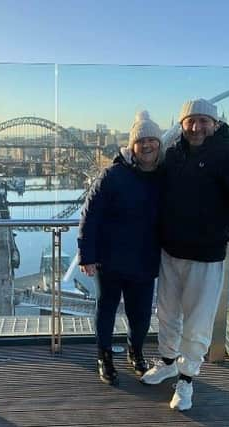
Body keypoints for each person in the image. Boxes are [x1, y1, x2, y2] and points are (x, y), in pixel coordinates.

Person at [140, 99, 229, 410]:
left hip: (206, 253)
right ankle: (168, 362)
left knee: (198, 323)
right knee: (167, 315)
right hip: (171, 250)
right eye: (191, 121)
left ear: (215, 124)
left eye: (204, 121)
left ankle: (186, 380)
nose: (197, 127)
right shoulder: (172, 154)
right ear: (183, 123)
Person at [78, 110, 162, 386]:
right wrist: (87, 255)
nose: (147, 145)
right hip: (110, 261)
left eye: (153, 140)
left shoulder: (163, 175)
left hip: (144, 260)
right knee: (106, 310)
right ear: (132, 146)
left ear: (159, 144)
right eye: (142, 141)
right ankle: (104, 356)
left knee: (140, 316)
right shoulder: (112, 175)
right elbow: (90, 216)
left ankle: (135, 351)